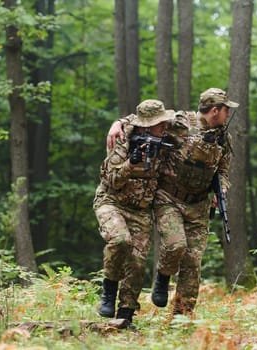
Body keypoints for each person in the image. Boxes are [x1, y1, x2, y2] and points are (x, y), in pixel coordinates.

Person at [107, 88, 238, 315]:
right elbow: (146, 120)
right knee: (176, 245)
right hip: (169, 198)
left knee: (192, 262)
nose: (228, 115)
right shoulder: (180, 122)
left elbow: (224, 171)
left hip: (199, 206)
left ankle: (182, 316)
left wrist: (221, 190)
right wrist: (118, 123)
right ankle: (163, 276)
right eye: (227, 110)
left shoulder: (223, 137)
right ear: (216, 110)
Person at [93, 99, 177, 328]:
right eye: (159, 123)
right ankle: (109, 291)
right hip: (112, 202)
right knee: (120, 240)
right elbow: (111, 180)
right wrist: (131, 163)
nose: (164, 127)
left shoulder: (164, 139)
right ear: (146, 126)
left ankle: (126, 314)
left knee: (138, 263)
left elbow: (188, 122)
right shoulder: (122, 141)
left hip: (141, 210)